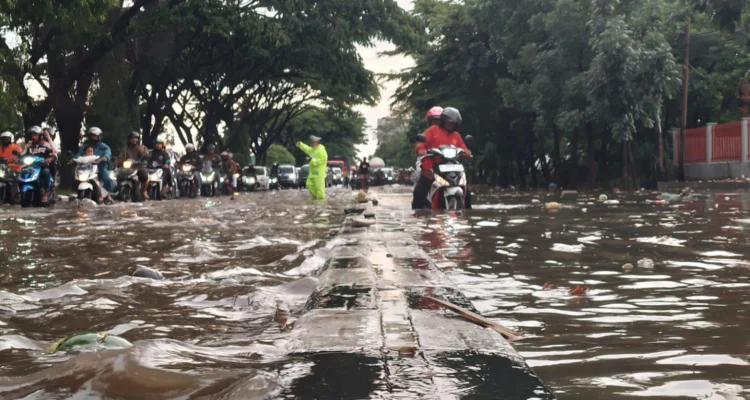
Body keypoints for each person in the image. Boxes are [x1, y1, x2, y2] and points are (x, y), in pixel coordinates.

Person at [412, 107, 472, 209]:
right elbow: (421, 143)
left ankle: (468, 214)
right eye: (449, 122)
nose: (450, 125)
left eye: (453, 123)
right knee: (419, 192)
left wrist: (467, 153)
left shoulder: (456, 135)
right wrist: (421, 149)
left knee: (468, 194)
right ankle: (417, 212)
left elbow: (464, 148)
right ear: (443, 121)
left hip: (452, 167)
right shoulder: (432, 130)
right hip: (433, 166)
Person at [76, 127, 115, 194]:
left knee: (106, 178)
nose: (93, 138)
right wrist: (74, 159)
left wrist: (105, 157)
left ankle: (109, 193)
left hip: (100, 166)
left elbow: (108, 153)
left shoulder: (104, 147)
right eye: (91, 136)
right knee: (74, 175)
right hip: (86, 167)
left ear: (99, 136)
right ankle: (77, 190)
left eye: (95, 136)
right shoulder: (85, 146)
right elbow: (79, 154)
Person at [23, 126, 56, 201]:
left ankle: (46, 192)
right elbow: (22, 154)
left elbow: (53, 153)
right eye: (32, 135)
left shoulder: (46, 144)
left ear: (40, 135)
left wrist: (49, 159)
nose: (33, 137)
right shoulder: (28, 145)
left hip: (42, 166)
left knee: (46, 172)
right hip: (30, 166)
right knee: (21, 172)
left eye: (35, 135)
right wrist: (17, 158)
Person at [118, 131, 150, 200]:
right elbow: (120, 158)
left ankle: (143, 191)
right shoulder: (125, 149)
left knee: (144, 176)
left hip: (139, 167)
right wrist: (119, 162)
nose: (134, 140)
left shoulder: (142, 147)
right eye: (132, 138)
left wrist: (143, 159)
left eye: (136, 138)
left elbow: (146, 156)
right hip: (127, 168)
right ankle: (118, 191)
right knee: (118, 176)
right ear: (129, 139)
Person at [296, 135, 328, 200]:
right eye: (311, 142)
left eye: (312, 142)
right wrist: (300, 144)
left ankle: (320, 202)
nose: (311, 143)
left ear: (316, 142)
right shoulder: (313, 150)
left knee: (320, 190)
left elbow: (324, 159)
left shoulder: (321, 149)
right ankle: (316, 198)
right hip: (312, 173)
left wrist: (312, 161)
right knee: (308, 184)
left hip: (319, 174)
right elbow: (306, 149)